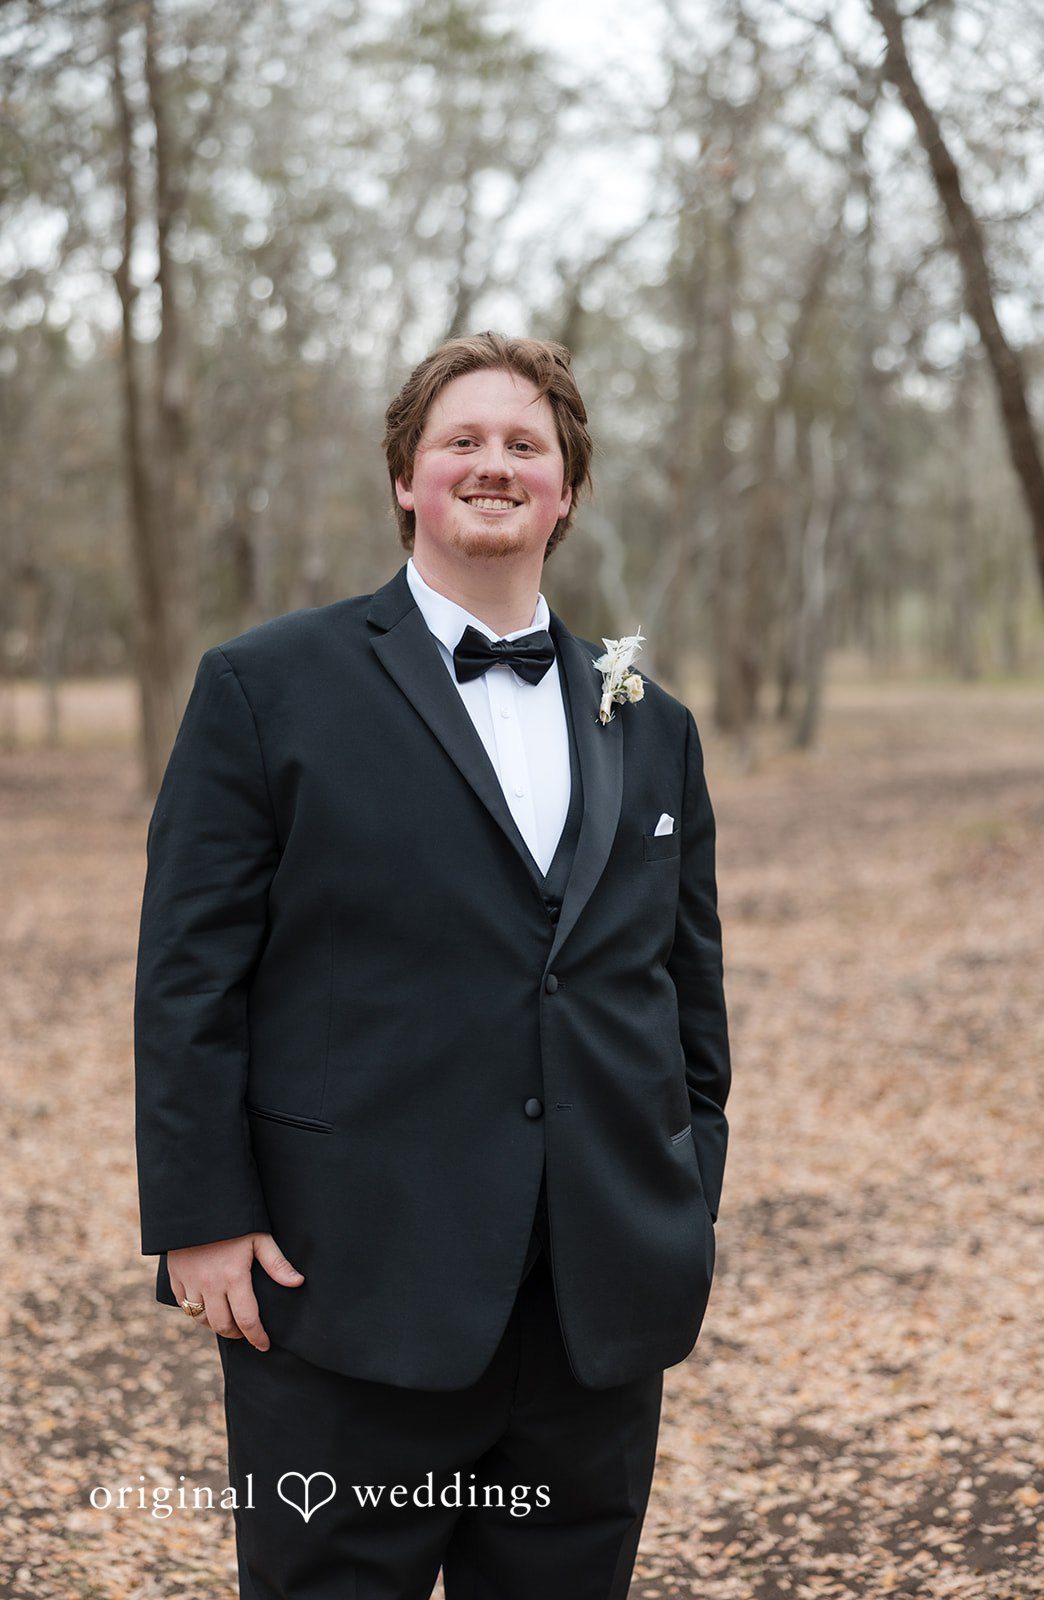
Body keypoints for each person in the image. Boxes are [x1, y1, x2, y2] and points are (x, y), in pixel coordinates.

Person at [134, 330, 731, 1599]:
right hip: (345, 1287)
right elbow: (189, 975)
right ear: (406, 477)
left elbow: (682, 991)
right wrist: (200, 1216)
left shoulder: (652, 724)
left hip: (592, 1306)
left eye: (525, 443)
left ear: (566, 490)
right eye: (461, 439)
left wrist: (682, 1196)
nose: (493, 463)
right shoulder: (263, 688)